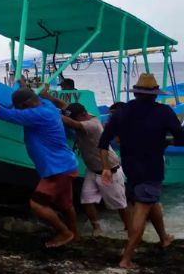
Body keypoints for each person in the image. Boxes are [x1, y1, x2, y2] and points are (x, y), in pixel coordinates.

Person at [0, 84, 80, 248]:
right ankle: (75, 235)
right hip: (67, 165)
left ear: (25, 106)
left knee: (37, 204)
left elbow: (4, 114)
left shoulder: (36, 114)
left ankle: (64, 232)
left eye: (20, 108)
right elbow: (35, 97)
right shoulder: (47, 106)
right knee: (66, 206)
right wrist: (24, 86)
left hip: (56, 169)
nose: (19, 111)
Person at [99, 73, 184, 268]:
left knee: (149, 201)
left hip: (130, 167)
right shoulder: (164, 112)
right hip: (152, 167)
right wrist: (165, 140)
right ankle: (126, 259)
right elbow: (180, 137)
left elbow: (103, 143)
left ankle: (164, 238)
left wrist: (105, 168)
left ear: (136, 93)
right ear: (155, 94)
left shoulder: (122, 112)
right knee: (141, 211)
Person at [41, 88, 130, 236]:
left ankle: (130, 229)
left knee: (119, 205)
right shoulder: (83, 115)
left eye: (76, 118)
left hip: (109, 170)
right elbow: (65, 106)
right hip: (92, 169)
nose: (75, 120)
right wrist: (48, 98)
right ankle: (97, 229)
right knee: (86, 200)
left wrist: (43, 109)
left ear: (82, 115)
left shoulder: (92, 125)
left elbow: (71, 122)